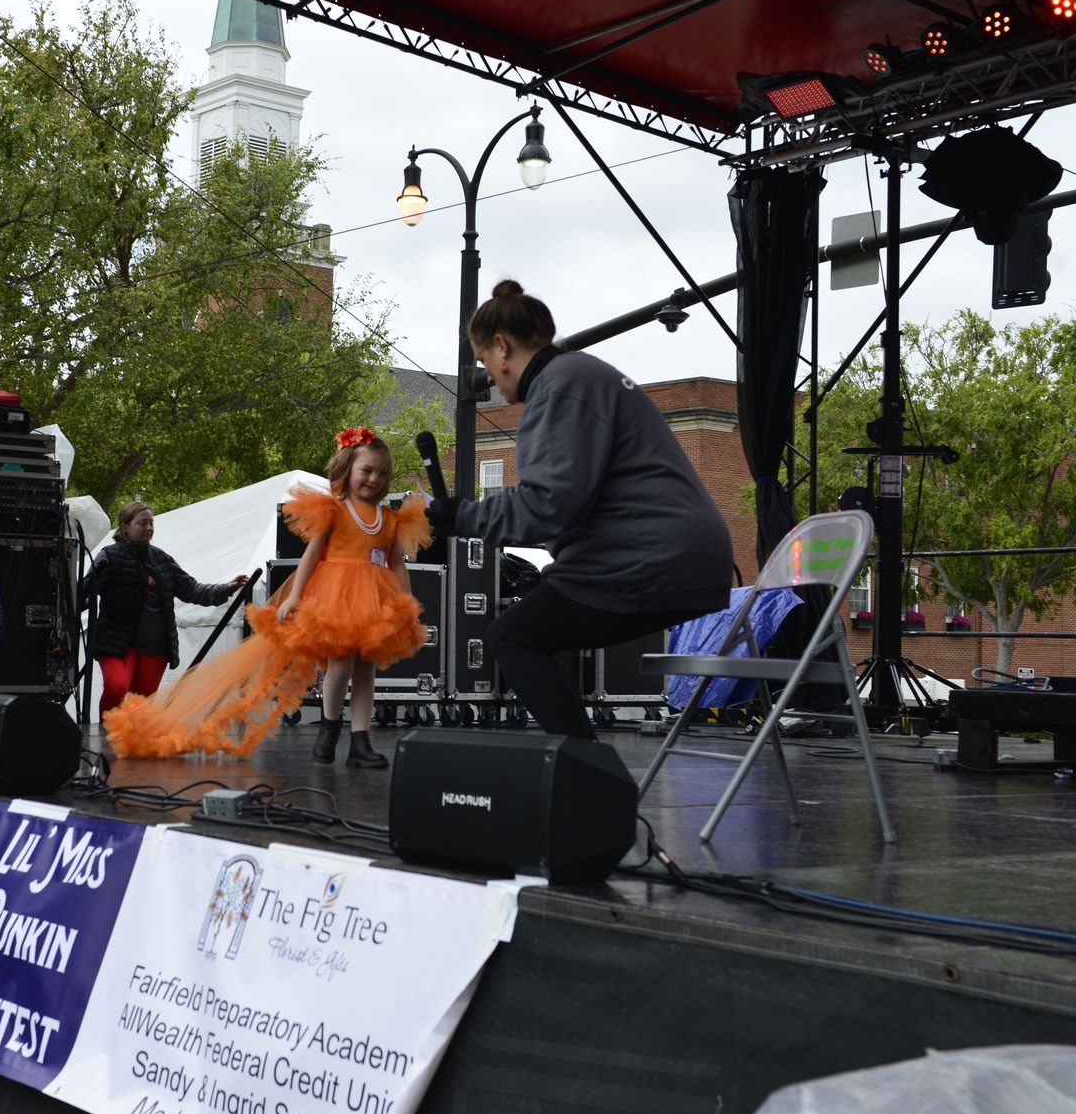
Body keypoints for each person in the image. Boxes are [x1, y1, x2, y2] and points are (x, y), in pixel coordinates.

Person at [427, 280, 733, 742]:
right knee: (535, 627)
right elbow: (565, 501)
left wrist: (462, 516)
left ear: (502, 346)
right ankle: (579, 769)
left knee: (514, 636)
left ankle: (586, 777)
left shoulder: (560, 387)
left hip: (653, 554)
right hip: (676, 552)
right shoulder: (580, 376)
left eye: (484, 360)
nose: (487, 376)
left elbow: (550, 505)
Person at [105, 428, 433, 763]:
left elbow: (396, 563)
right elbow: (312, 556)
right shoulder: (334, 511)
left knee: (366, 668)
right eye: (366, 471)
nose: (374, 479)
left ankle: (360, 740)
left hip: (374, 598)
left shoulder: (391, 519)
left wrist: (405, 600)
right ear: (347, 469)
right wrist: (293, 598)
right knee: (342, 661)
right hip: (336, 593)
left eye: (381, 473)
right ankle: (330, 727)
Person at [80, 500, 248, 717]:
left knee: (142, 705)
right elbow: (84, 593)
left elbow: (192, 589)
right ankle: (104, 738)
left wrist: (226, 588)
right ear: (124, 527)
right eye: (142, 523)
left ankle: (132, 746)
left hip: (155, 647)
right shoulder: (109, 556)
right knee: (117, 686)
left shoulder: (161, 559)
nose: (149, 528)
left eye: (151, 524)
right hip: (118, 642)